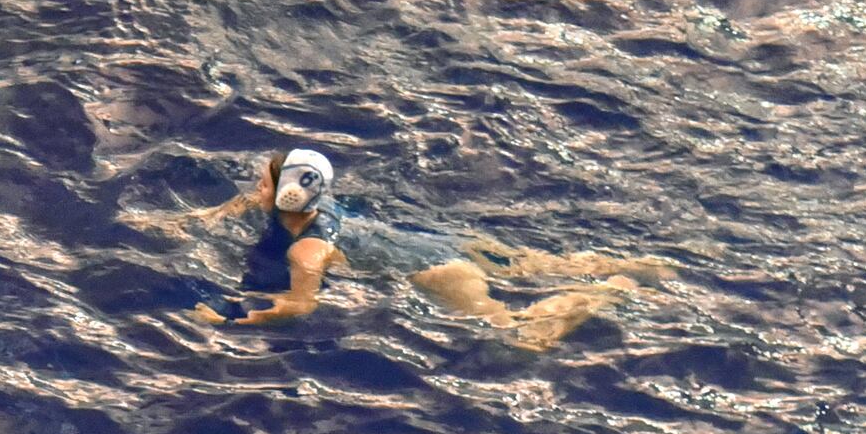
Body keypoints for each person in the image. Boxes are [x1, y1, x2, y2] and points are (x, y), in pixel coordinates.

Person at [165, 146, 674, 351]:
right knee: (539, 267)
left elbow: (302, 304)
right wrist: (192, 221)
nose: (254, 193)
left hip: (438, 271)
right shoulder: (318, 204)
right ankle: (644, 267)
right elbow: (246, 204)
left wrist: (236, 321)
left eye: (261, 186)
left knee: (518, 338)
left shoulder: (307, 253)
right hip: (450, 244)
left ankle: (610, 290)